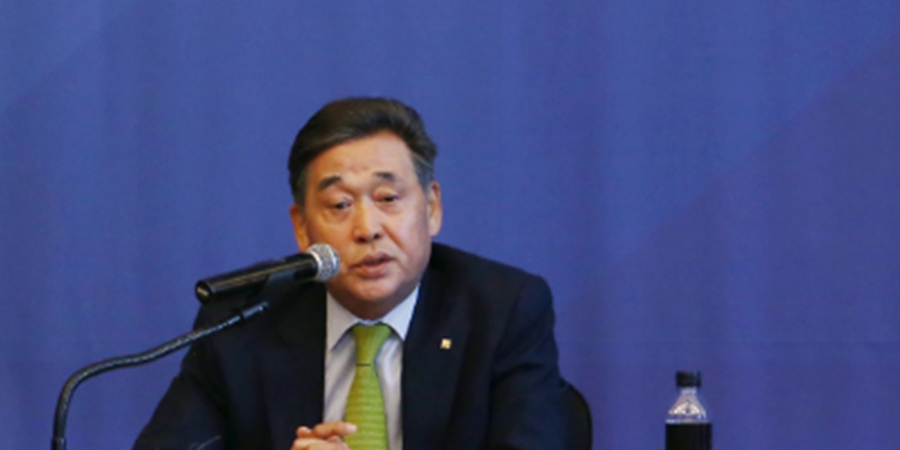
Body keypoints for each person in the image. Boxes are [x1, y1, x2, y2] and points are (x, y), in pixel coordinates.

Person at [133, 97, 565, 450]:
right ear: (302, 227)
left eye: (388, 198)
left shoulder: (502, 311)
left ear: (431, 207)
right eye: (340, 205)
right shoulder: (243, 319)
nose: (367, 229)